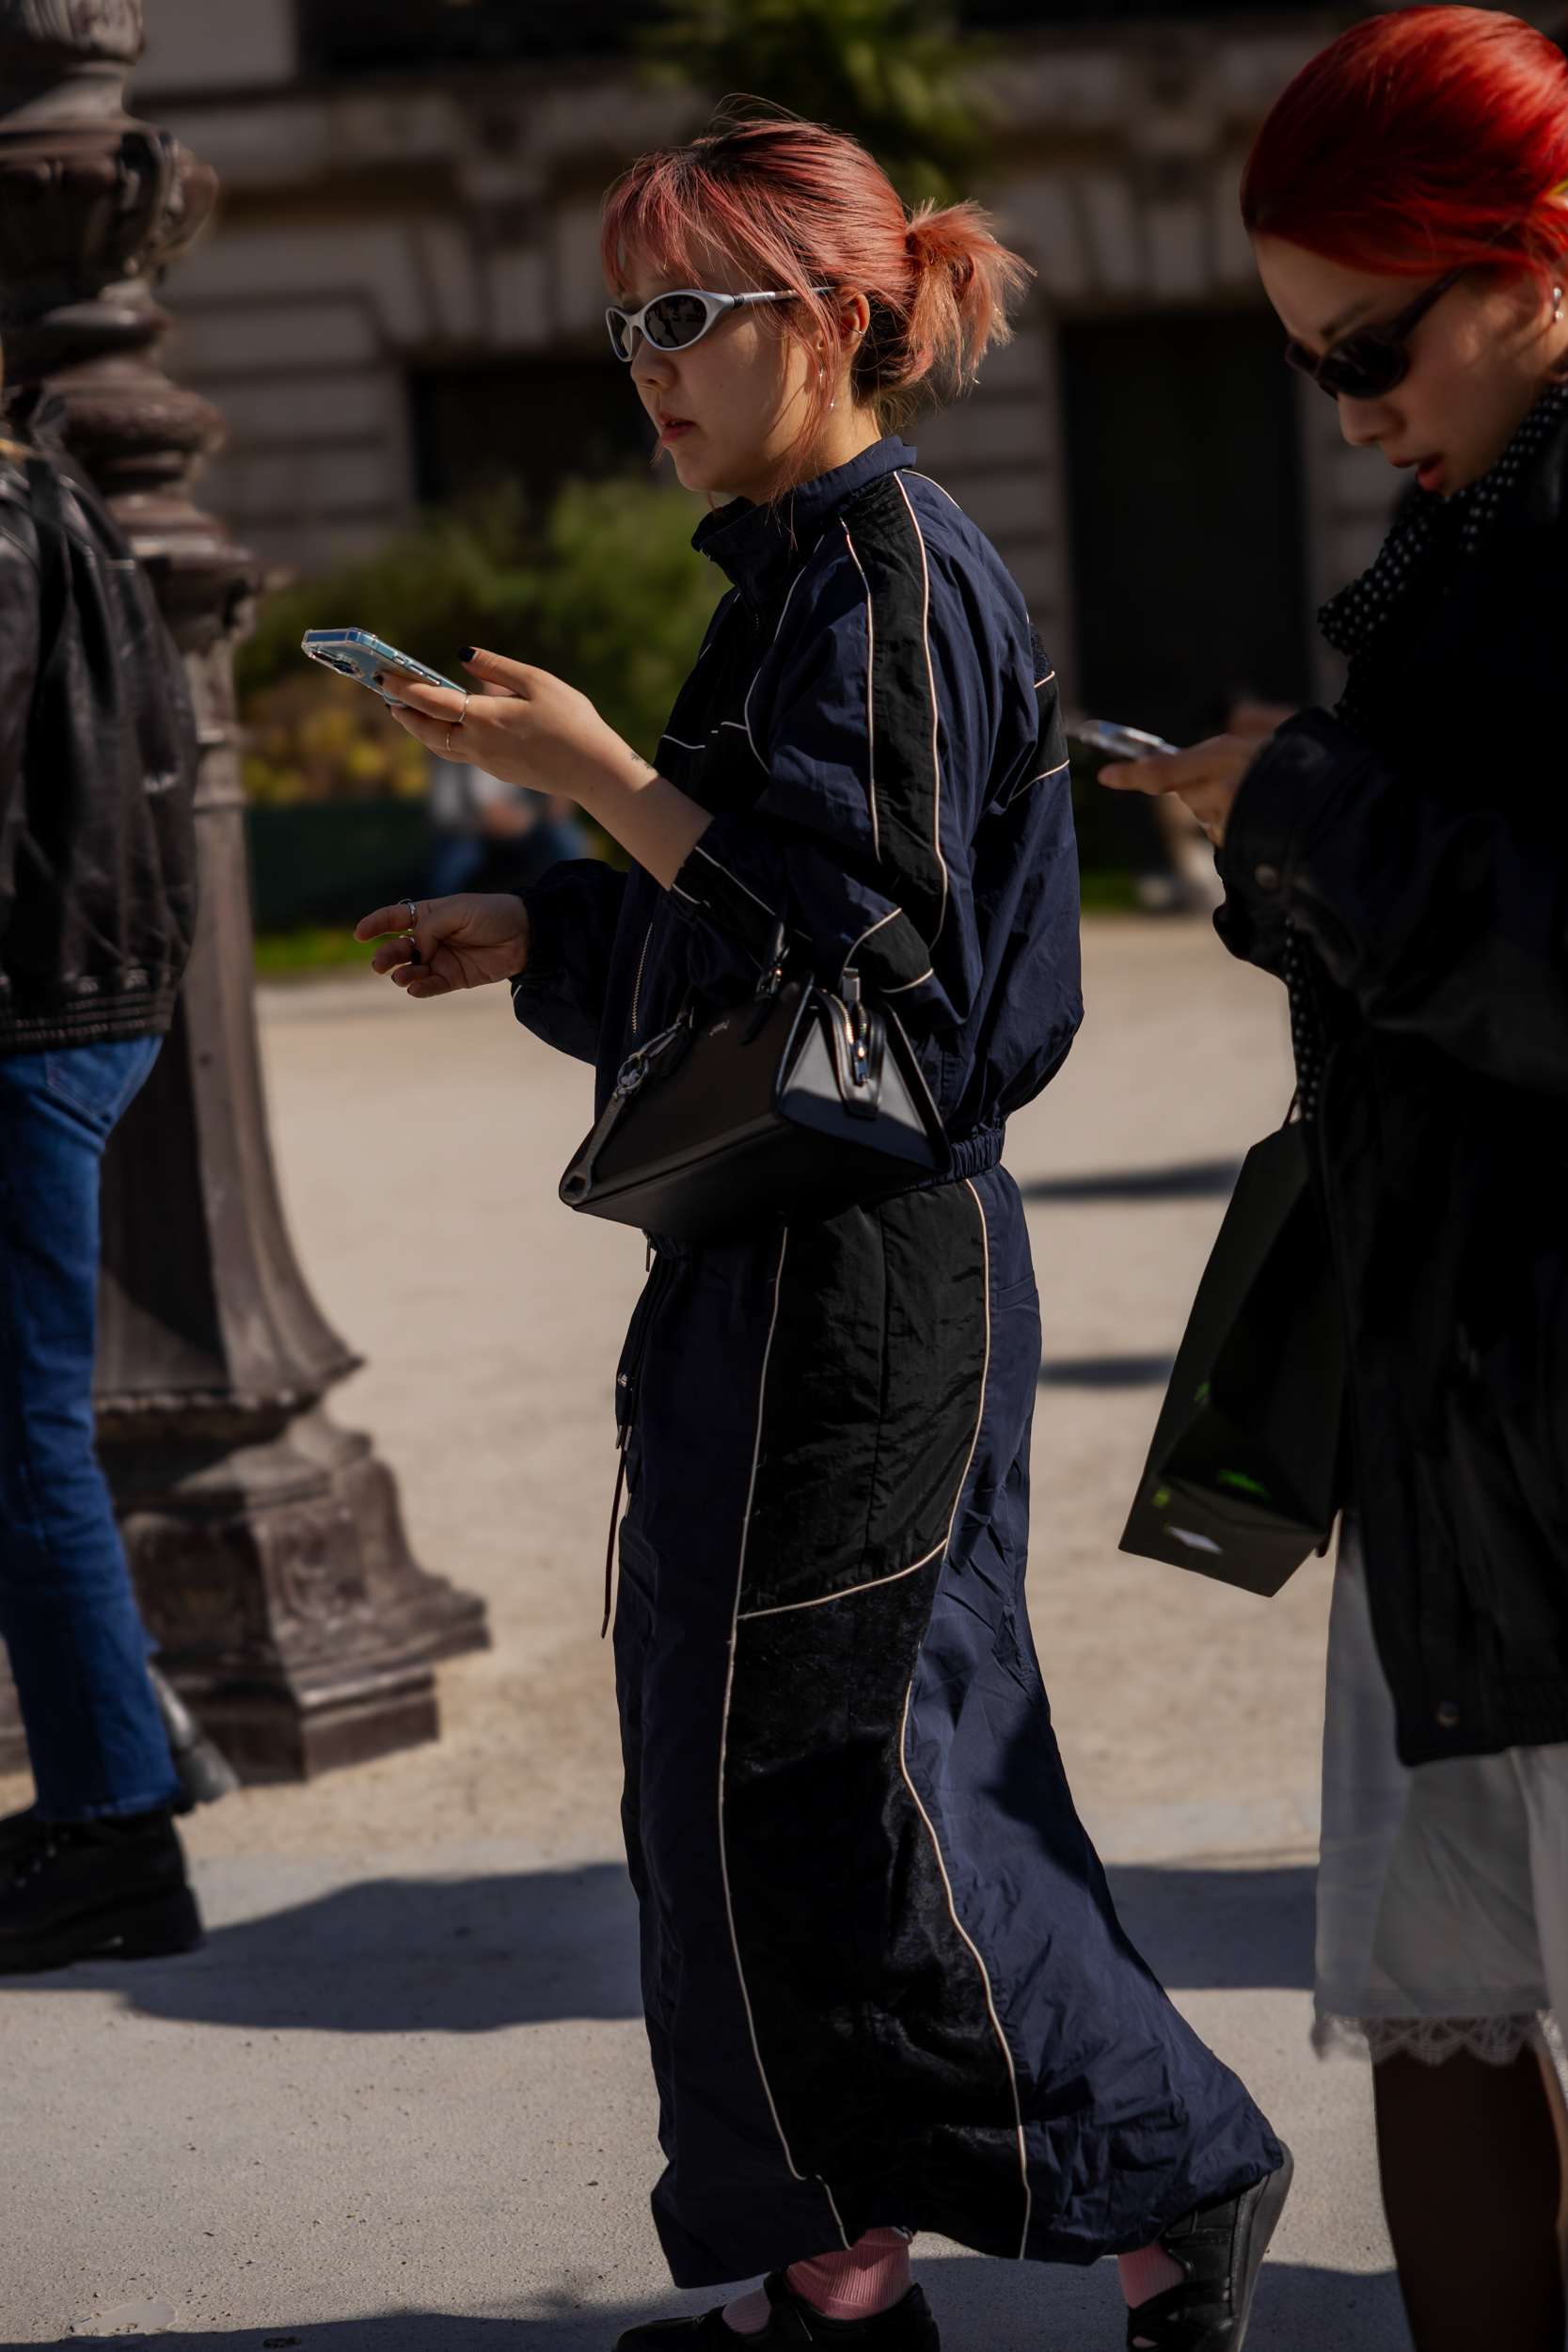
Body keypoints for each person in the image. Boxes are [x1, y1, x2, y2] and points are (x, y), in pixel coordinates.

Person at [356, 114, 1290, 2352]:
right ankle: (832, 2266)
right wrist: (537, 918)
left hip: (864, 1276)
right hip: (783, 1264)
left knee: (845, 1767)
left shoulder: (887, 568)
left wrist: (591, 777)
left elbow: (866, 959)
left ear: (836, 317)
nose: (646, 365)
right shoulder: (800, 567)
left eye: (690, 313)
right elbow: (745, 908)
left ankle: (1170, 2181)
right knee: (737, 1774)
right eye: (625, 320)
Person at [1099, 12, 1568, 2348]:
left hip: (1551, 1397)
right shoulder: (1466, 516)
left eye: (1369, 344)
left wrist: (1307, 817)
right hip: (1456, 1390)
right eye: (1305, 364)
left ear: (1542, 258)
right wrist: (1276, 833)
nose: (1351, 404)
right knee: (1439, 1983)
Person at [0, 400, 205, 1970]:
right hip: (86, 999)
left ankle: (116, 1828)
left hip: (28, 1018)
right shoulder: (59, 497)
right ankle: (126, 1754)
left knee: (25, 1437)